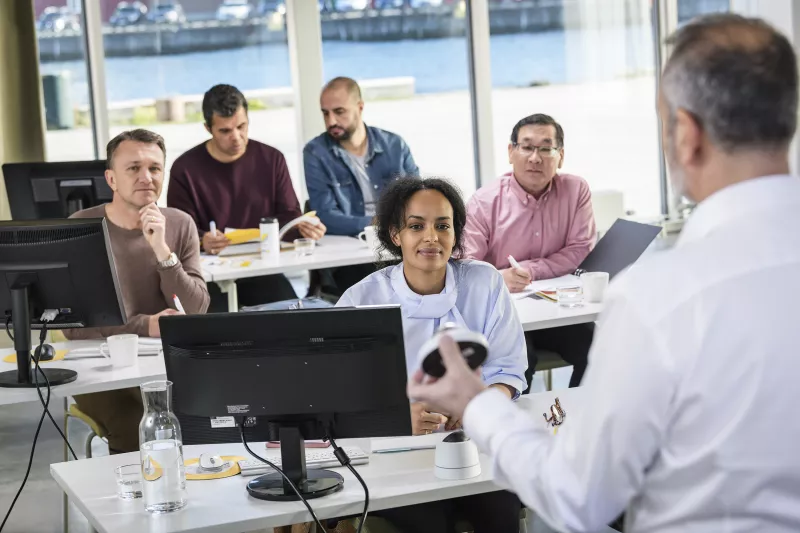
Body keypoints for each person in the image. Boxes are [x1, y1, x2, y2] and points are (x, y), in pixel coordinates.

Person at [408, 13, 800, 533]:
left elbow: (578, 499)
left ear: (686, 133)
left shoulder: (659, 299)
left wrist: (475, 405)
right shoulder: (490, 201)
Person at [336, 177, 526, 533]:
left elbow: (509, 370)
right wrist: (394, 418)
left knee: (501, 509)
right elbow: (341, 397)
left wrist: (478, 404)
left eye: (443, 226)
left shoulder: (484, 283)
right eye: (416, 226)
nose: (431, 237)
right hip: (395, 452)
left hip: (472, 442)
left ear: (456, 233)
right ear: (395, 234)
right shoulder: (360, 301)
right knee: (428, 522)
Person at [64, 129, 210, 453]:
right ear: (111, 179)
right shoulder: (80, 227)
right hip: (99, 370)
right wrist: (145, 325)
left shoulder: (180, 223)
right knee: (138, 425)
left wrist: (161, 249)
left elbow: (195, 310)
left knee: (208, 417)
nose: (146, 177)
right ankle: (136, 502)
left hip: (161, 366)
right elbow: (73, 327)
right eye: (133, 168)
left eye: (155, 168)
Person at [463, 113, 596, 389]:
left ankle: (570, 420)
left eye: (546, 148)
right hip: (504, 314)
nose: (535, 157)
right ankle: (518, 430)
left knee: (599, 353)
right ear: (511, 152)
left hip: (558, 310)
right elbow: (465, 267)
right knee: (521, 364)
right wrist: (499, 277)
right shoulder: (484, 201)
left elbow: (580, 248)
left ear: (560, 156)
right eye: (527, 147)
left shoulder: (576, 190)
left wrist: (530, 271)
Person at [167, 84, 327, 311]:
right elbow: (179, 231)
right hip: (209, 274)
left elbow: (290, 216)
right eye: (225, 131)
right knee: (214, 328)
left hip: (260, 268)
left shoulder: (272, 159)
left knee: (292, 315)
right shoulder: (184, 169)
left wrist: (305, 228)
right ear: (207, 128)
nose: (236, 137)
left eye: (241, 126)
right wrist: (202, 240)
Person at [304, 77, 418, 294]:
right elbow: (326, 216)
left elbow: (418, 200)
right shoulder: (315, 153)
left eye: (339, 111)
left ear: (360, 107)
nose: (331, 121)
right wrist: (377, 223)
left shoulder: (395, 145)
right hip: (350, 257)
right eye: (325, 113)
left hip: (398, 247)